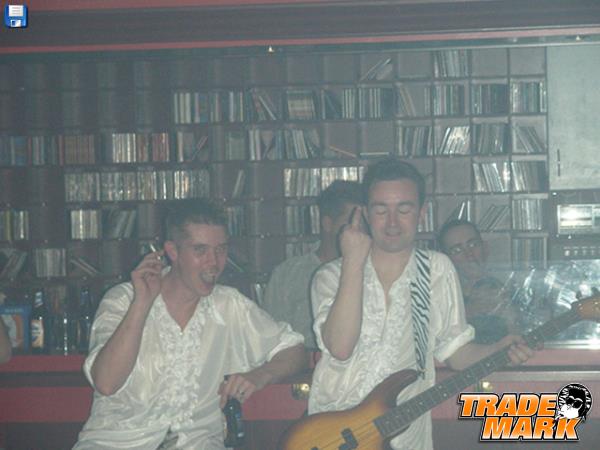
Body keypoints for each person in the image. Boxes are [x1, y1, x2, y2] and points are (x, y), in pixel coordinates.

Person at [308, 157, 534, 450]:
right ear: (364, 213)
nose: (392, 222)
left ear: (422, 213)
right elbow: (340, 348)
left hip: (403, 436)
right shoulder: (329, 275)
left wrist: (499, 350)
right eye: (381, 210)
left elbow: (455, 352)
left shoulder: (437, 269)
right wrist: (353, 260)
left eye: (404, 209)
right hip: (332, 434)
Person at [74, 199, 305, 450]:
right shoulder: (123, 300)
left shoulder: (230, 305)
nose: (213, 262)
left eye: (221, 250)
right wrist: (141, 304)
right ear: (173, 252)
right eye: (200, 250)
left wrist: (260, 375)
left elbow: (294, 350)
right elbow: (106, 383)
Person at [262, 180, 363, 349]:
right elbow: (271, 337)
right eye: (351, 223)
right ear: (328, 224)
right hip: (300, 362)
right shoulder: (288, 274)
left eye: (363, 223)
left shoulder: (372, 270)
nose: (358, 230)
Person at [438, 219, 519, 343]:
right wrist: (468, 312)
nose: (469, 254)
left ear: (485, 248)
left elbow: (518, 338)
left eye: (473, 245)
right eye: (457, 250)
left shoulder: (504, 292)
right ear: (445, 259)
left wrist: (510, 316)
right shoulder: (438, 297)